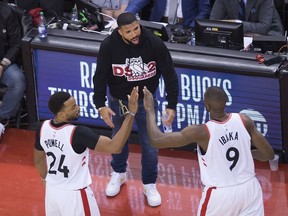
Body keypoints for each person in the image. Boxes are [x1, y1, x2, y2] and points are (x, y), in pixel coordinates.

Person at [143, 86, 275, 215]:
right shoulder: (244, 120)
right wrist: (244, 154)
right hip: (250, 188)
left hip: (220, 195)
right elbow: (268, 154)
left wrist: (150, 110)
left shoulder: (201, 132)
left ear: (207, 106)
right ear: (226, 102)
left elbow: (157, 140)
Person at [93, 12, 179, 207]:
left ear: (139, 25)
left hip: (146, 103)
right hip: (119, 102)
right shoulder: (108, 46)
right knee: (119, 139)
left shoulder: (153, 42)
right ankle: (119, 173)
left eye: (136, 28)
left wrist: (172, 104)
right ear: (119, 31)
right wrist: (100, 104)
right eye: (128, 31)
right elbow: (99, 76)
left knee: (150, 144)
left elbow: (170, 73)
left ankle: (149, 183)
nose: (134, 34)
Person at [34, 87, 138, 216]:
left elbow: (38, 159)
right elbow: (115, 147)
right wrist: (131, 114)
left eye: (76, 104)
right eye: (73, 107)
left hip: (52, 192)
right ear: (61, 114)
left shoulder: (42, 127)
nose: (78, 107)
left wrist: (45, 179)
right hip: (75, 195)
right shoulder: (78, 133)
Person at [0, 1, 26, 138]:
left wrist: (2, 65)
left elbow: (16, 44)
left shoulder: (7, 12)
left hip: (4, 63)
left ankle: (1, 119)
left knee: (18, 81)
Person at [210, 0, 284, 36]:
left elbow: (264, 27)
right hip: (240, 38)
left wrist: (238, 24)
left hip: (268, 38)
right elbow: (213, 23)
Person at [125, 0, 211, 28]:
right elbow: (138, 2)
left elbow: (204, 11)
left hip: (186, 26)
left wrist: (191, 28)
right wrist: (125, 15)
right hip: (159, 24)